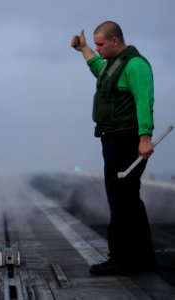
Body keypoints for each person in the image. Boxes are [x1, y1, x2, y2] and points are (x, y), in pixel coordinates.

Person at [71, 21, 156, 275]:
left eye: (100, 44)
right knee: (127, 198)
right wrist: (84, 49)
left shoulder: (136, 65)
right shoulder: (112, 64)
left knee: (121, 199)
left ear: (115, 41)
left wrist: (145, 136)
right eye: (94, 44)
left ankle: (122, 258)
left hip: (127, 140)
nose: (97, 49)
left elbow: (144, 101)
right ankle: (142, 257)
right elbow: (99, 69)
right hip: (112, 139)